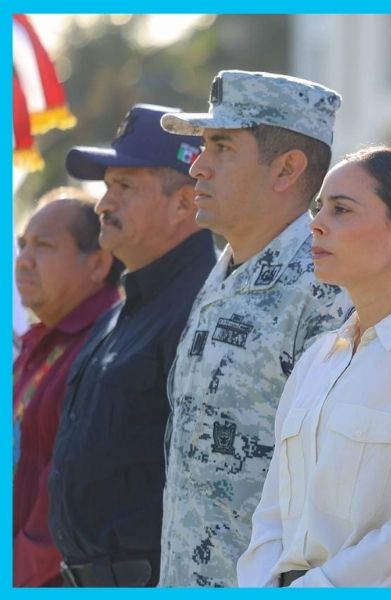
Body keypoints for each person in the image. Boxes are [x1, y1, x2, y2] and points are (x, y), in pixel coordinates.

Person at [236, 147, 391, 587]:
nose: (317, 224)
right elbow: (272, 513)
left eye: (341, 209)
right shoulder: (318, 357)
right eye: (318, 207)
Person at [158, 70, 353, 587]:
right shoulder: (225, 273)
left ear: (287, 169)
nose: (197, 166)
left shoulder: (328, 289)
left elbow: (340, 494)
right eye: (203, 147)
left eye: (221, 146)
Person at [48, 104, 216, 587]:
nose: (103, 204)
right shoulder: (123, 310)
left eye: (124, 187)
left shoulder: (205, 308)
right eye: (106, 188)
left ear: (185, 203)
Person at [13, 188, 122, 587]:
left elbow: (66, 500)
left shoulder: (104, 346)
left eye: (43, 246)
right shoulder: (41, 341)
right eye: (23, 244)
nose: (23, 260)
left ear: (97, 263)